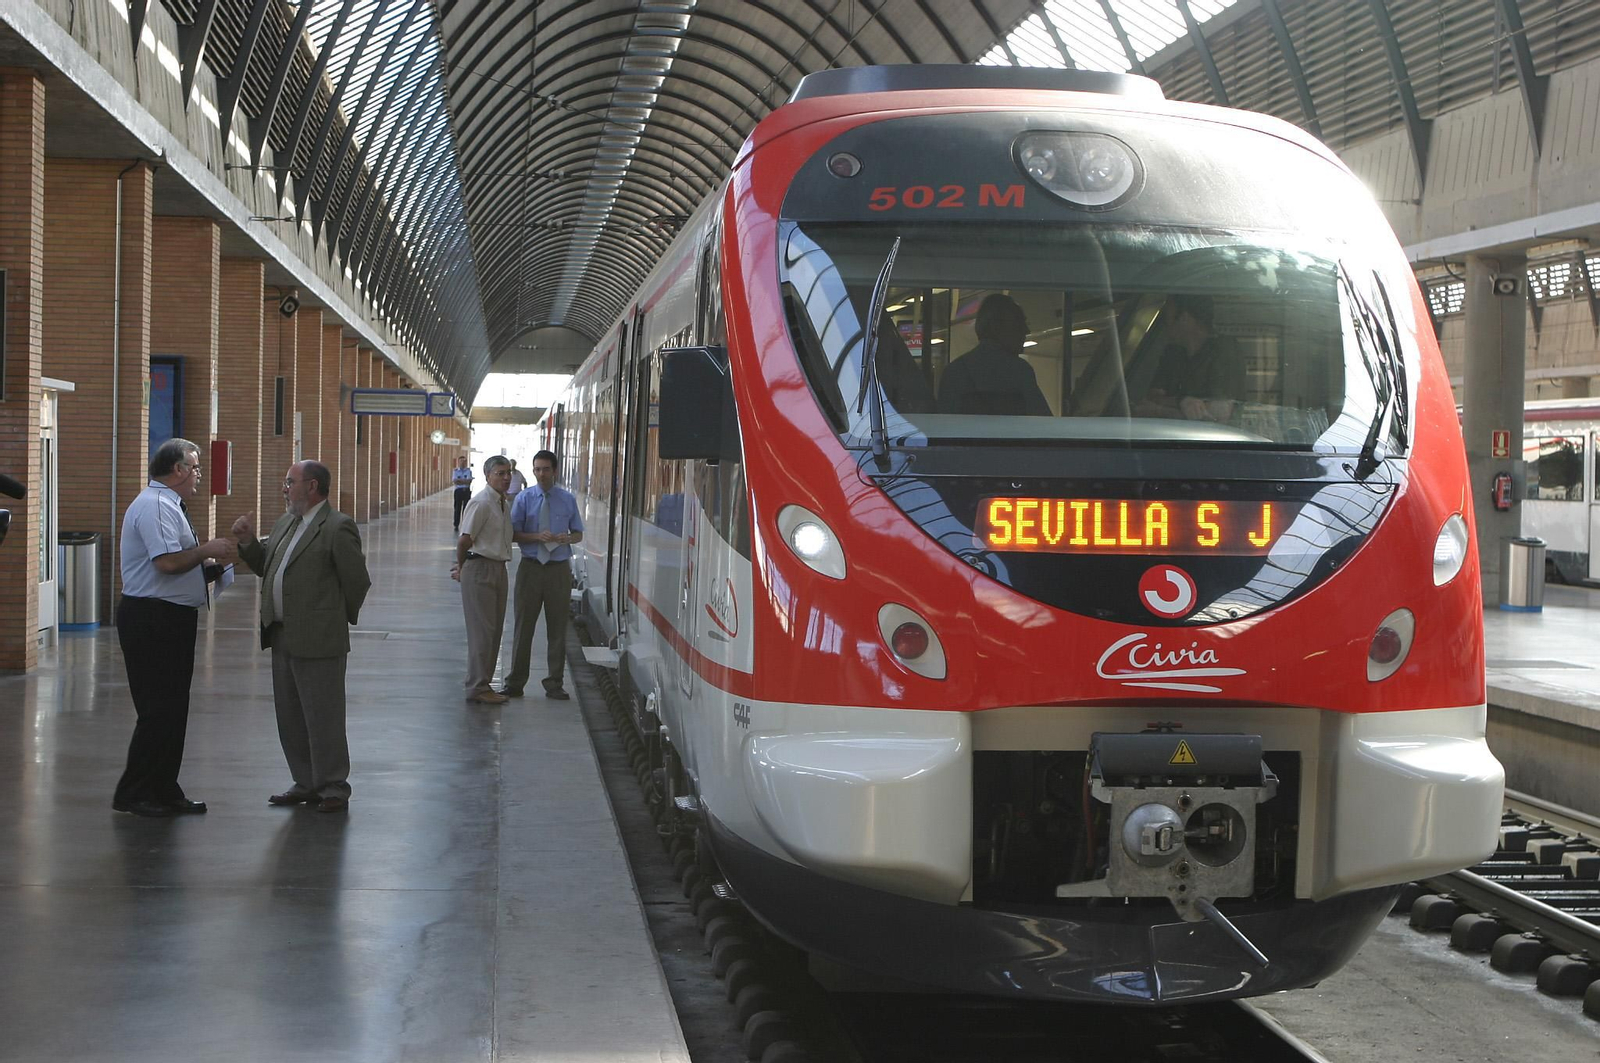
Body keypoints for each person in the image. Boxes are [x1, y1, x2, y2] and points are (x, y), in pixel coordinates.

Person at [233, 460, 372, 813]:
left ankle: (333, 787)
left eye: (289, 482)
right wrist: (248, 542)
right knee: (291, 716)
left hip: (320, 639)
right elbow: (268, 566)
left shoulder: (337, 527)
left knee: (323, 716)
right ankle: (305, 781)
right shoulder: (285, 523)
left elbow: (357, 580)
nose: (285, 488)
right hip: (282, 635)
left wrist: (332, 619)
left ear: (312, 487)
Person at [113, 438, 235, 817]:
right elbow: (166, 563)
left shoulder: (169, 505)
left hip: (171, 616)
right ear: (178, 470)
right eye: (196, 468)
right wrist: (207, 549)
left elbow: (175, 566)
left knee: (173, 709)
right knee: (158, 709)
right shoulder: (154, 506)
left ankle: (164, 787)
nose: (199, 475)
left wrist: (208, 570)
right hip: (152, 619)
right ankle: (135, 793)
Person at [501, 449, 584, 700]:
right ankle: (515, 682)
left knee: (557, 627)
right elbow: (513, 534)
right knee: (524, 625)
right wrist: (538, 536)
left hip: (558, 569)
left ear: (555, 471)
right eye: (537, 469)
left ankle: (554, 683)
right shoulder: (524, 499)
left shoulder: (567, 500)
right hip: (531, 568)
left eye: (546, 469)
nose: (541, 474)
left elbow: (578, 533)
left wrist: (567, 538)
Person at [454, 455, 515, 704]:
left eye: (508, 472)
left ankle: (484, 683)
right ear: (488, 475)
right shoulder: (481, 503)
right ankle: (477, 687)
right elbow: (464, 540)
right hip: (480, 568)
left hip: (498, 568)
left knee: (494, 630)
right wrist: (463, 567)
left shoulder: (502, 503)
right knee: (482, 631)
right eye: (500, 473)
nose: (506, 477)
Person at [1136, 294, 1246, 423]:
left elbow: (1220, 412)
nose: (1166, 325)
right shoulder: (1172, 353)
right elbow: (1151, 398)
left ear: (1185, 319)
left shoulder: (1224, 350)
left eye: (1169, 318)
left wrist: (1162, 410)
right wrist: (1183, 402)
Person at [936, 294, 1051, 416]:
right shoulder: (1020, 371)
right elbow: (1042, 421)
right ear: (996, 327)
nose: (1026, 330)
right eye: (1019, 323)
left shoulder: (955, 372)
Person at [451, 455, 473, 531]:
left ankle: (465, 524)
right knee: (457, 508)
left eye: (464, 461)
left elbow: (469, 481)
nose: (463, 463)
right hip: (458, 491)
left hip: (466, 491)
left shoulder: (468, 471)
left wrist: (460, 481)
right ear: (458, 462)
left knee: (466, 508)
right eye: (461, 461)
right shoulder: (455, 471)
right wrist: (464, 481)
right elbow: (455, 481)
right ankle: (456, 524)